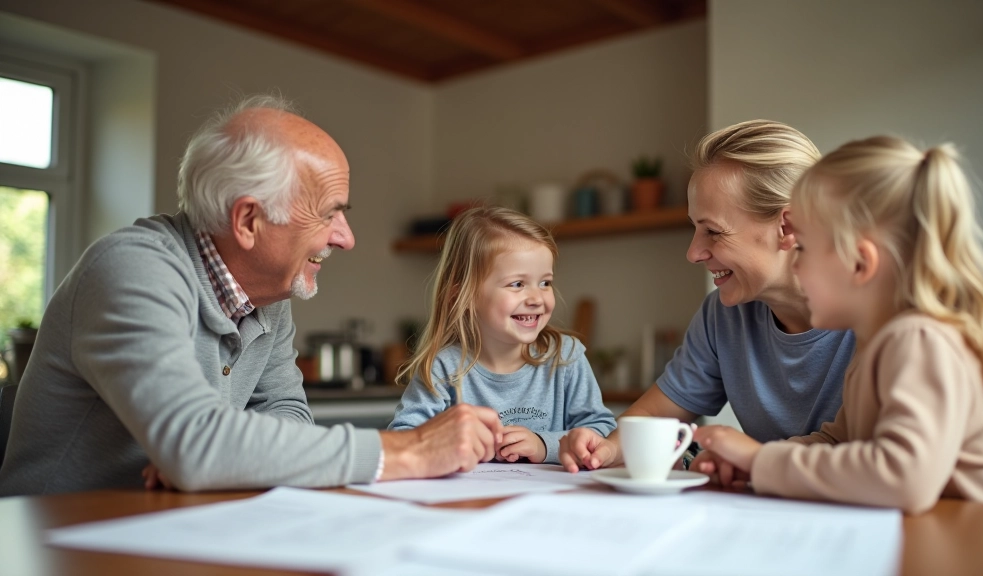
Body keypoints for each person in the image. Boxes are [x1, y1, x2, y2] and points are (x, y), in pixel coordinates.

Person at [0, 95, 503, 496]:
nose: (346, 238)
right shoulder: (132, 268)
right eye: (329, 213)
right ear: (247, 221)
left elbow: (288, 415)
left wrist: (221, 457)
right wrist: (410, 450)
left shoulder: (268, 298)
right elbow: (195, 445)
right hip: (54, 544)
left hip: (172, 529)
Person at [693, 136, 983, 513]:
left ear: (860, 264)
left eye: (807, 251)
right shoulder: (879, 344)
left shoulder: (919, 341)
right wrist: (752, 464)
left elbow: (904, 478)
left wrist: (761, 461)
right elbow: (839, 444)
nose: (796, 267)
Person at [560, 120, 856, 476]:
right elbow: (653, 416)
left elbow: (879, 453)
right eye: (694, 229)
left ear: (787, 228)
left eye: (713, 232)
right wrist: (606, 449)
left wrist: (751, 460)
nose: (694, 253)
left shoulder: (881, 315)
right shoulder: (724, 315)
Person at [389, 206, 616, 464]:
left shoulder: (566, 357)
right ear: (464, 294)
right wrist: (452, 444)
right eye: (517, 284)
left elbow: (602, 431)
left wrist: (544, 445)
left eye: (545, 283)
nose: (536, 298)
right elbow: (403, 437)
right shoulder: (443, 367)